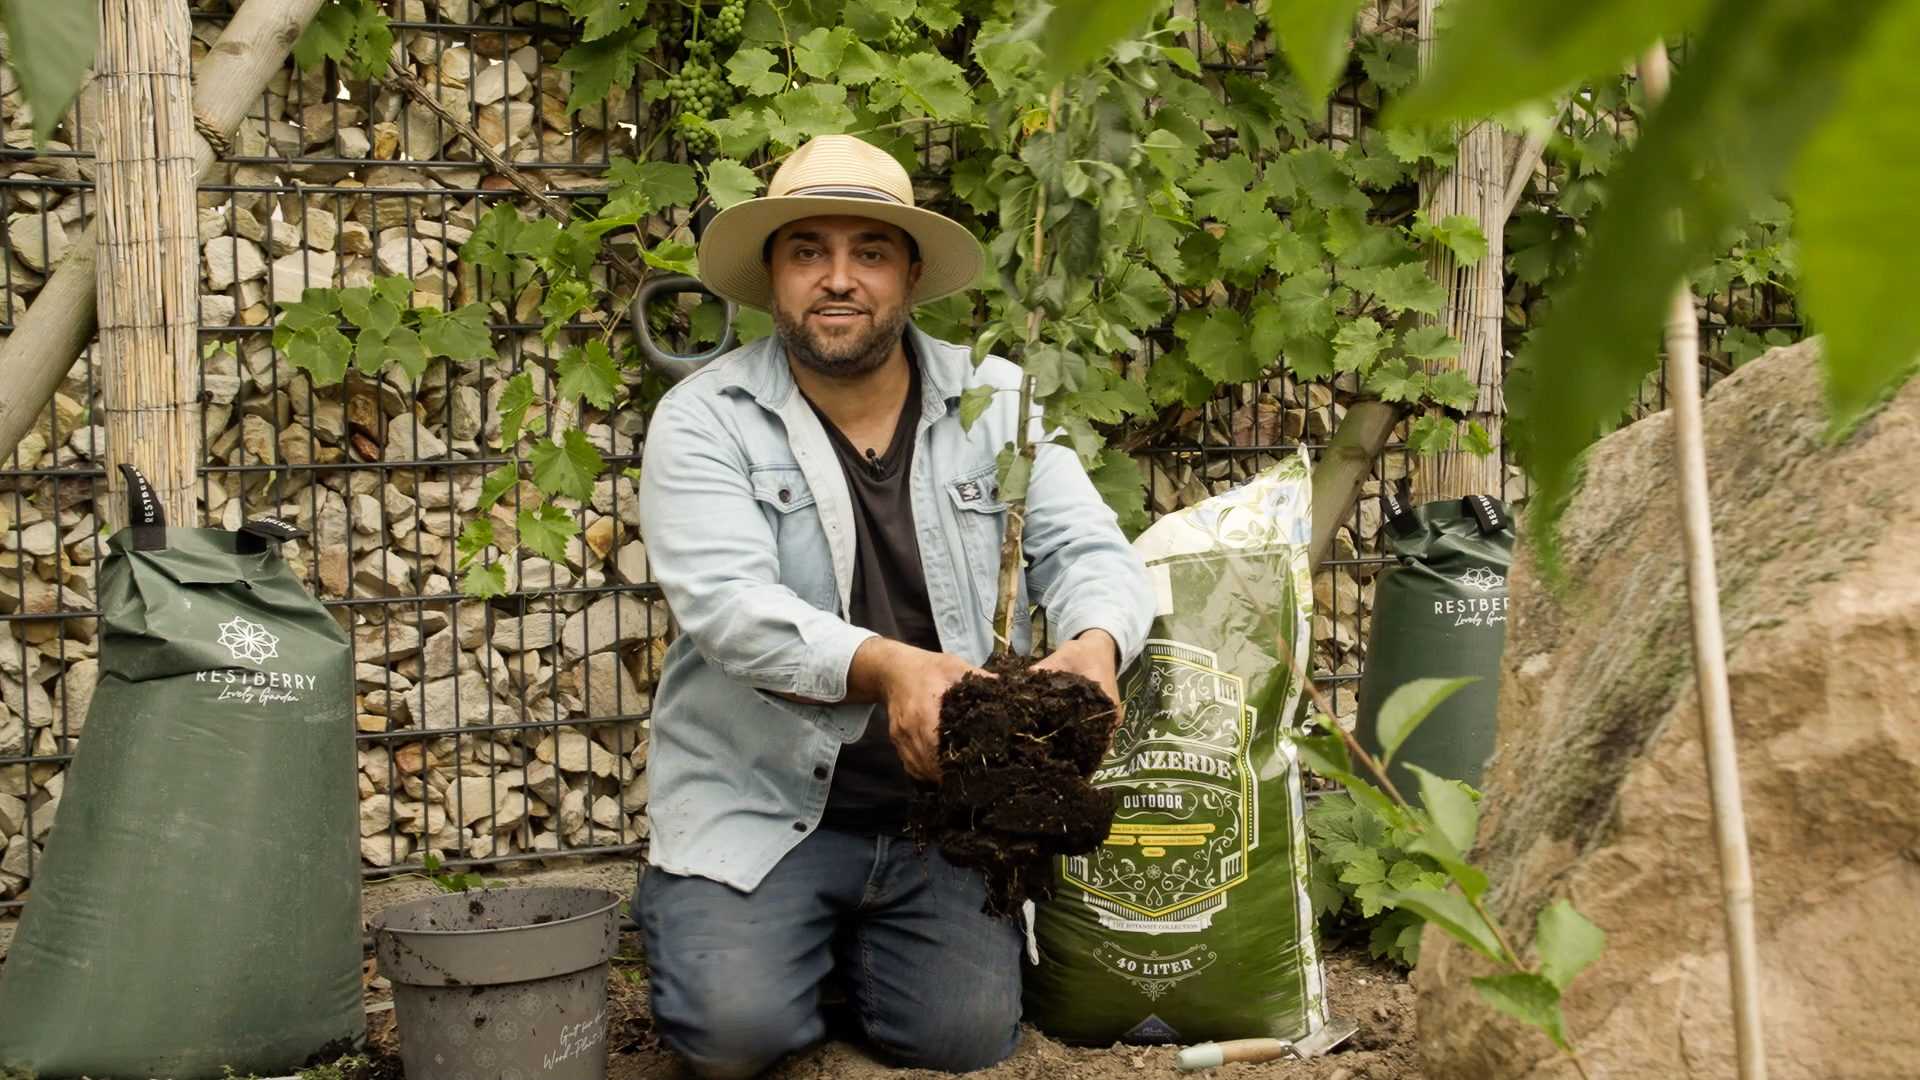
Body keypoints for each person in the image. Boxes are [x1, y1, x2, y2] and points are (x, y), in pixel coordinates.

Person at [634, 134, 1155, 1079]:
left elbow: (1088, 549)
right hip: (761, 807)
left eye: (869, 252)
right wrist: (891, 668)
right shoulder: (706, 418)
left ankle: (831, 956)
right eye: (808, 252)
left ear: (910, 273)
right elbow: (727, 607)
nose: (839, 279)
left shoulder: (997, 401)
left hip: (940, 820)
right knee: (733, 1036)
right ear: (771, 272)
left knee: (959, 1041)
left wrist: (1095, 644)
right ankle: (756, 937)